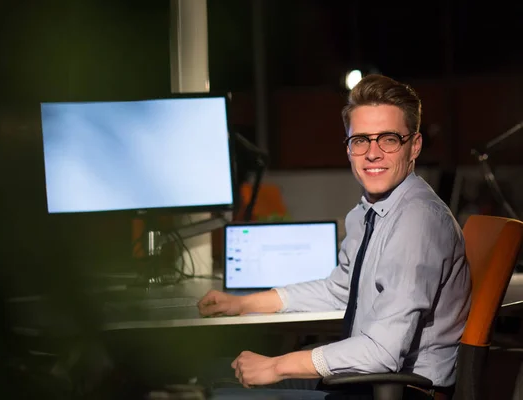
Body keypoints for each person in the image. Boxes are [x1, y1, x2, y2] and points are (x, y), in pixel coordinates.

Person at [198, 74, 471, 398]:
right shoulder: (368, 212)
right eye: (360, 140)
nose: (372, 153)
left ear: (414, 146)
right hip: (367, 381)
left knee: (217, 394)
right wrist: (244, 304)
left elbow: (382, 353)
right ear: (348, 146)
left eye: (388, 139)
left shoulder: (417, 223)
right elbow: (340, 289)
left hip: (399, 390)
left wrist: (276, 365)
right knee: (211, 374)